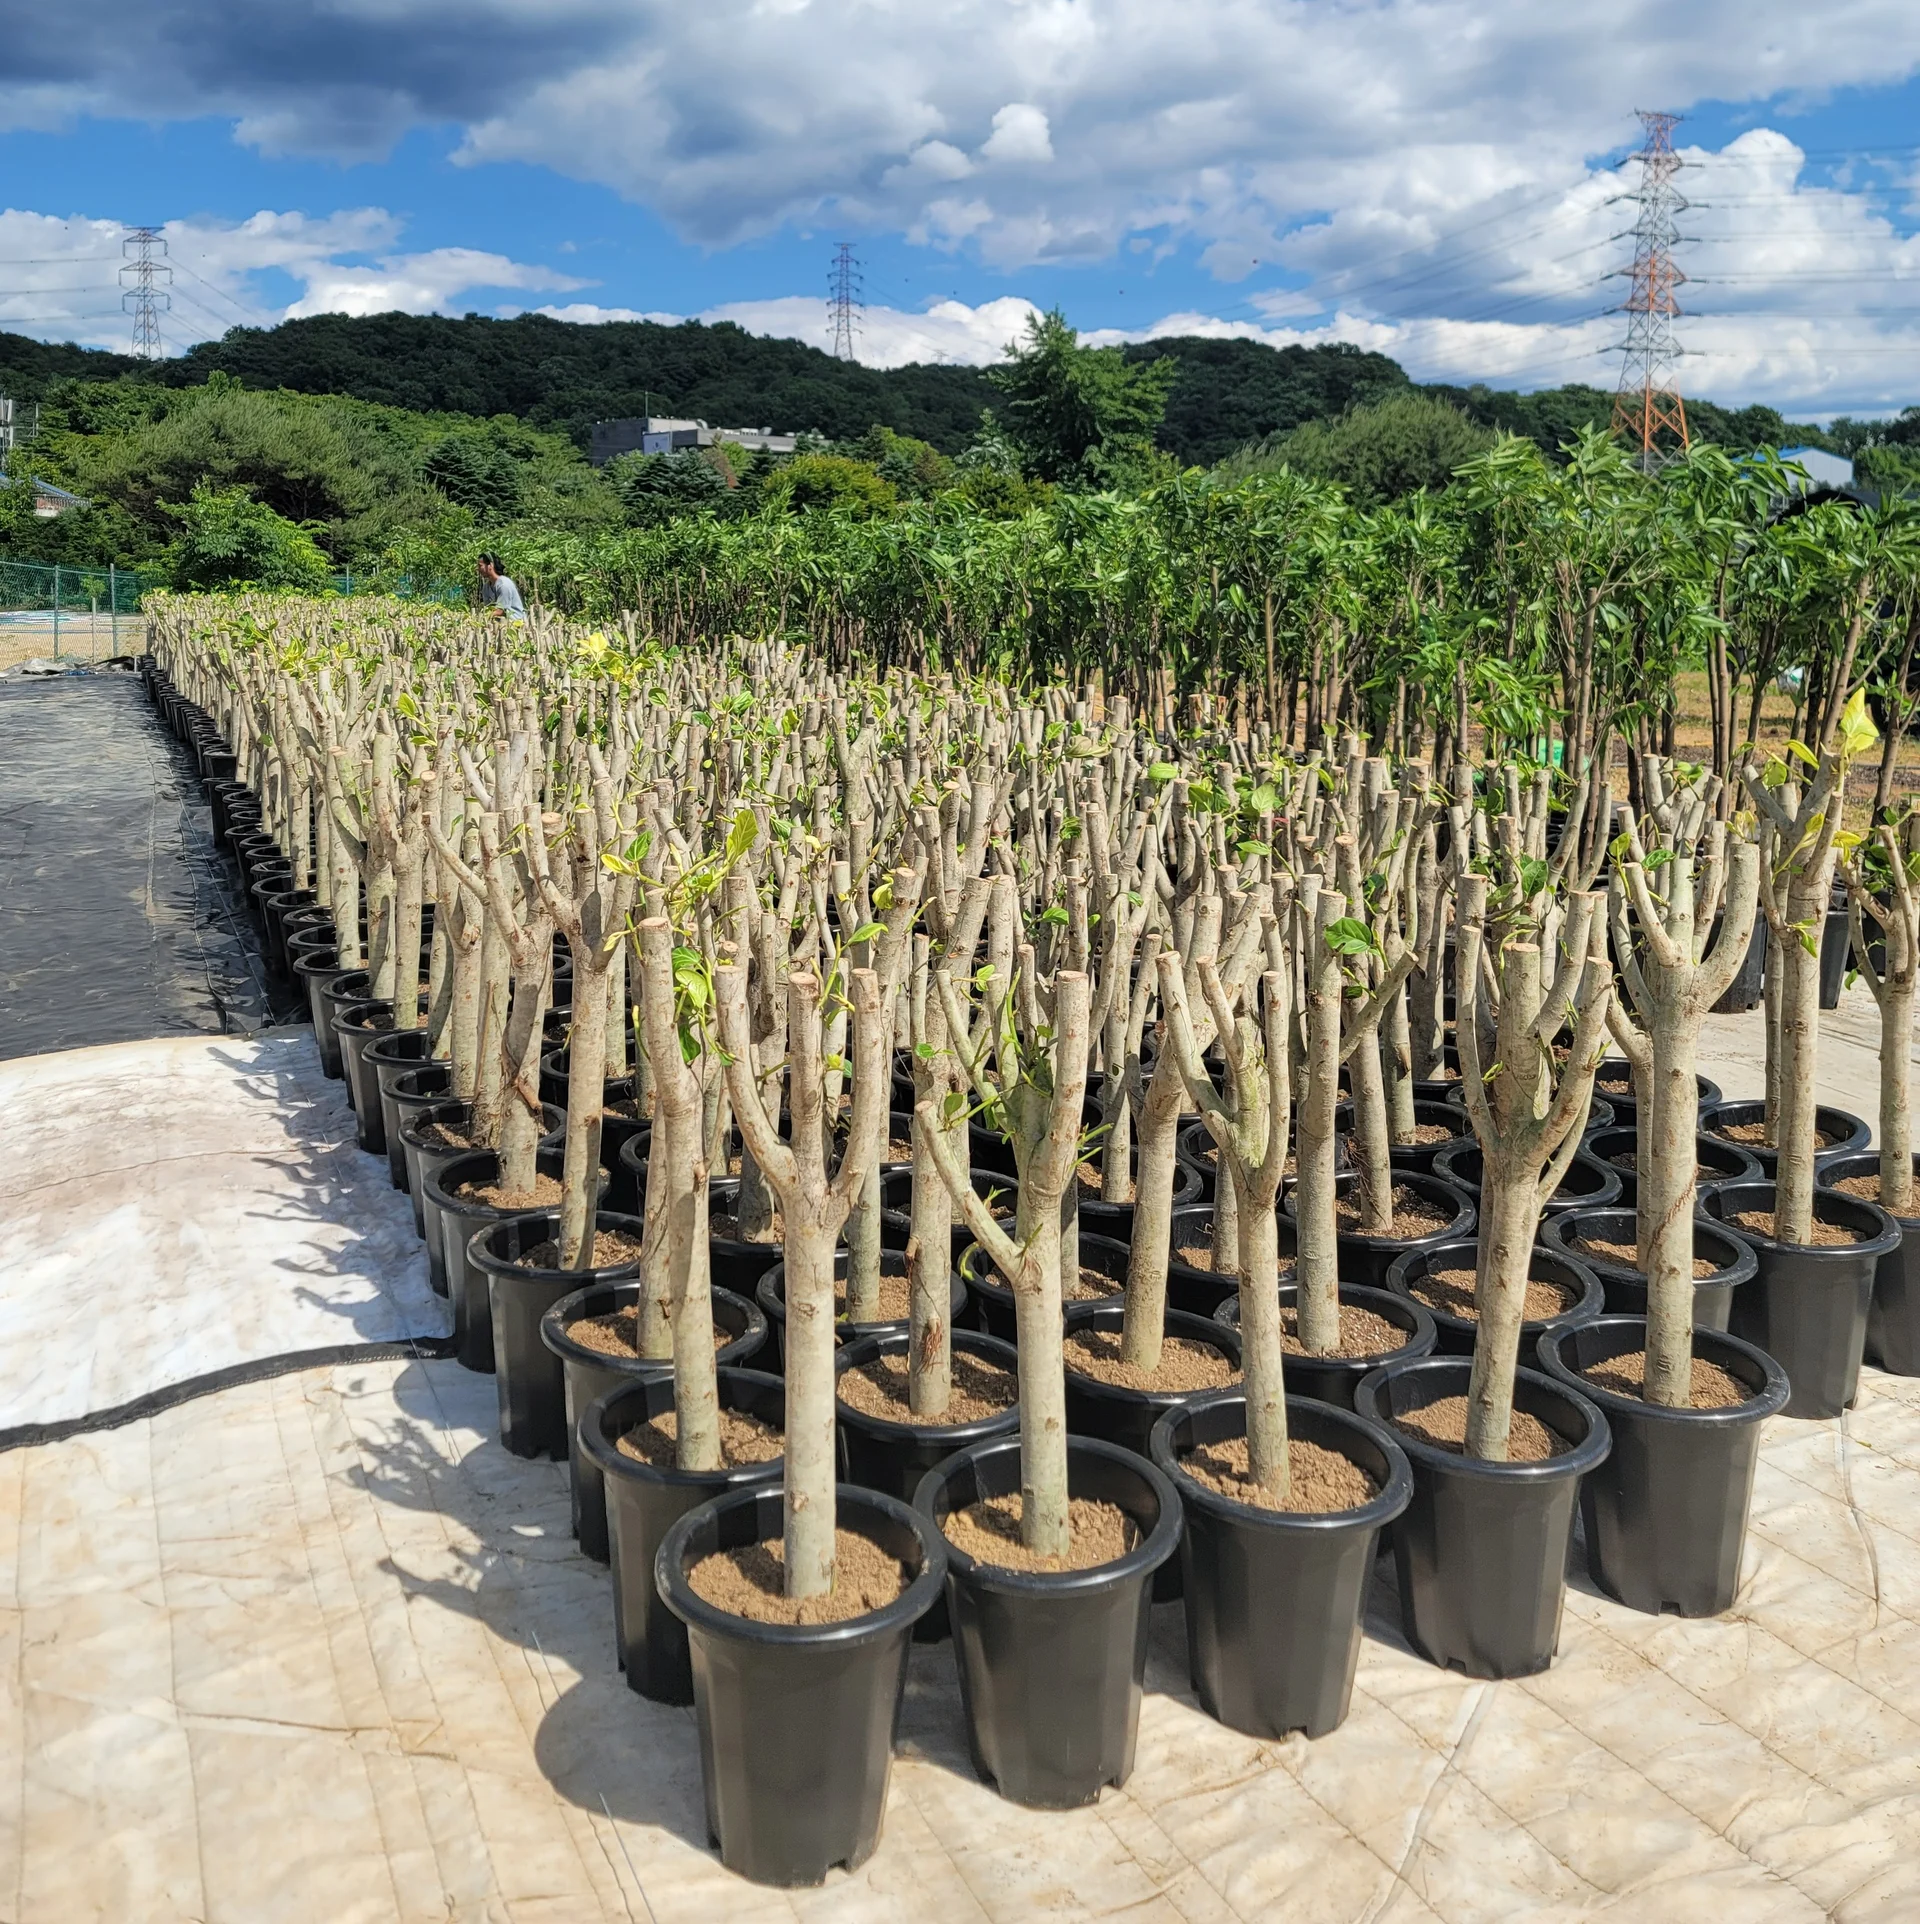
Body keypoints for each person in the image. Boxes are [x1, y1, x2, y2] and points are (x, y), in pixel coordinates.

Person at [477, 553, 527, 623]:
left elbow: (500, 611)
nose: (478, 569)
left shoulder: (504, 585)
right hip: (499, 623)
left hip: (515, 622)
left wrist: (482, 618)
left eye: (480, 566)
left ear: (490, 565)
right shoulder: (486, 587)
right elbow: (488, 608)